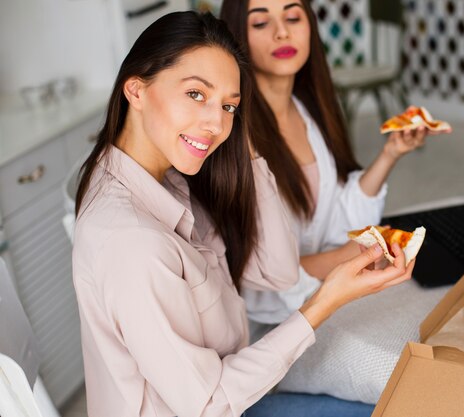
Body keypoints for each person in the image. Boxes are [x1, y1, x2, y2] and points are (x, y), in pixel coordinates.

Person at [72, 10, 414, 417]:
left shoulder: (166, 178)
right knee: (403, 400)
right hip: (219, 403)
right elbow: (209, 403)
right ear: (137, 90)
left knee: (401, 394)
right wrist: (327, 301)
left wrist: (247, 144)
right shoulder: (134, 243)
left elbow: (277, 271)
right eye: (196, 94)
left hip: (236, 391)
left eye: (229, 106)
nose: (214, 123)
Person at [219, 0, 451, 330]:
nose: (282, 32)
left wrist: (390, 154)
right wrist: (346, 257)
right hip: (269, 327)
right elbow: (254, 279)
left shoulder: (306, 109)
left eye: (293, 17)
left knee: (438, 311)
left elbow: (334, 218)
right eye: (260, 23)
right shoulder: (235, 136)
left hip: (321, 295)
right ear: (236, 35)